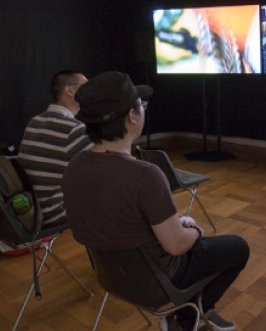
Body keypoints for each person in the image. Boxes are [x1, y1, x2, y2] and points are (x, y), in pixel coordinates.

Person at [62, 71, 249, 331]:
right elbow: (175, 245)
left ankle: (191, 312)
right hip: (158, 282)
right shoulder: (144, 175)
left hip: (111, 276)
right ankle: (186, 316)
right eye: (141, 105)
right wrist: (193, 229)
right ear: (131, 116)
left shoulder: (75, 165)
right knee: (238, 247)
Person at [17, 70, 92, 229]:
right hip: (54, 212)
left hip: (31, 207)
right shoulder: (73, 129)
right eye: (86, 86)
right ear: (69, 90)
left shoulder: (34, 121)